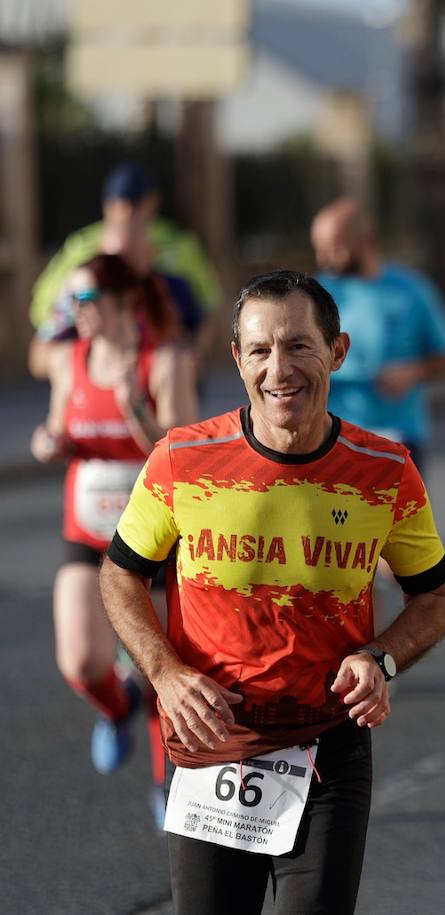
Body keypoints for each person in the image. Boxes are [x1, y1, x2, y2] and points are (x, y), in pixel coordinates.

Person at [98, 271, 445, 914]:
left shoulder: (384, 471)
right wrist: (165, 673)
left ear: (338, 352)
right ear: (237, 359)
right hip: (212, 744)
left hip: (328, 744)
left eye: (299, 347)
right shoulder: (182, 460)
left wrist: (380, 658)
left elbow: (435, 596)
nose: (279, 370)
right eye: (260, 351)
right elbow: (119, 573)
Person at [31, 253, 197, 821]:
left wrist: (135, 410)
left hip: (151, 537)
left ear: (123, 302)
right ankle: (114, 707)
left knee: (157, 667)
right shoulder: (67, 359)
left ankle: (166, 784)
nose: (73, 311)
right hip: (86, 528)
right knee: (81, 661)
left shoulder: (165, 360)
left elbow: (181, 456)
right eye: (71, 300)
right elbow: (60, 427)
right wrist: (49, 442)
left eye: (83, 299)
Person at [311, 198, 445, 471]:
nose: (324, 259)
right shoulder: (314, 296)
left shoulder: (411, 290)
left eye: (334, 247)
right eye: (319, 249)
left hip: (398, 436)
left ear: (366, 240)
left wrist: (413, 372)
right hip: (333, 437)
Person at [29, 162, 220, 377]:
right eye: (113, 263)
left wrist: (187, 359)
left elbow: (202, 320)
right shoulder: (81, 290)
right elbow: (41, 351)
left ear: (150, 252)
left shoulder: (171, 283)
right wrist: (80, 368)